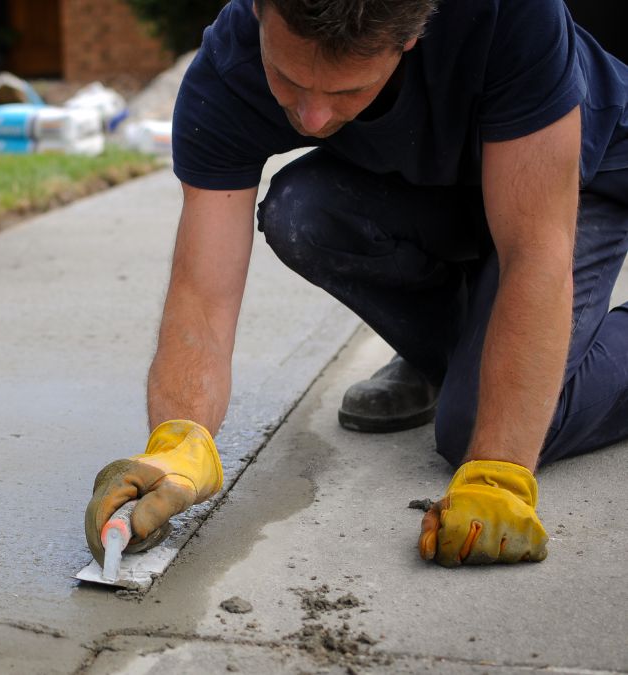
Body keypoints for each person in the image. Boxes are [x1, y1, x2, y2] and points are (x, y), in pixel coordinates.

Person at [85, 0, 628, 568]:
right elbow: (201, 292)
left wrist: (500, 474)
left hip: (574, 184)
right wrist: (178, 443)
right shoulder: (228, 69)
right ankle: (455, 354)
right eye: (289, 80)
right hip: (448, 189)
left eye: (348, 92)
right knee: (304, 214)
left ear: (413, 36)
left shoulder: (512, 16)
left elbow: (536, 254)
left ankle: (462, 365)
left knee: (475, 427)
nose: (314, 117)